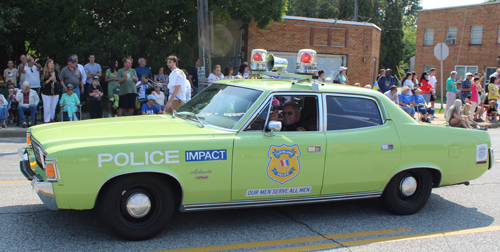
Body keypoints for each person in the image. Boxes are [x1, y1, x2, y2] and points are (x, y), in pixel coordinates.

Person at [41, 59, 60, 123]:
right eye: (50, 63)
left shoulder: (55, 72)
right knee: (47, 107)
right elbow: (42, 83)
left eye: (52, 63)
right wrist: (49, 79)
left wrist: (55, 81)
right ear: (47, 64)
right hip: (46, 92)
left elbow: (58, 82)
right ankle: (47, 120)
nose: (52, 65)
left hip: (54, 91)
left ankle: (52, 118)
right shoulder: (44, 72)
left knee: (53, 107)